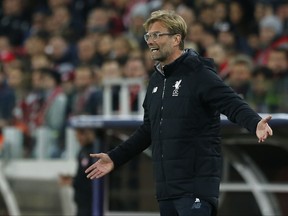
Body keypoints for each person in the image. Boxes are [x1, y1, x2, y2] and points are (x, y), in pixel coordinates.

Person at [85, 10, 273, 216]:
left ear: (176, 39)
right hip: (167, 190)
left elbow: (232, 104)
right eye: (148, 35)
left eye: (157, 35)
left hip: (196, 187)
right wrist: (115, 158)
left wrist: (255, 123)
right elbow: (148, 130)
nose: (150, 40)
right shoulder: (156, 80)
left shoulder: (199, 73)